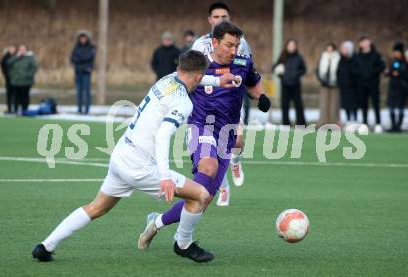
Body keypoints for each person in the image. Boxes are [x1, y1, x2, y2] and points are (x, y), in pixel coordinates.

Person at [32, 50, 216, 263]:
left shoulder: (166, 79)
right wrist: (165, 177)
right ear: (199, 76)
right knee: (200, 195)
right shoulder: (184, 102)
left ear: (179, 68)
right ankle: (184, 244)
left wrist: (221, 80)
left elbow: (197, 76)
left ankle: (45, 246)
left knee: (97, 207)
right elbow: (163, 135)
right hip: (140, 167)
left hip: (121, 156)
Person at [138, 22, 271, 250]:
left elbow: (254, 85)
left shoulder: (243, 63)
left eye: (236, 45)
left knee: (204, 199)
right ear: (215, 43)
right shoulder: (199, 65)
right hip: (202, 127)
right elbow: (177, 82)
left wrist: (262, 97)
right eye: (229, 45)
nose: (233, 50)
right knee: (207, 168)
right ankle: (183, 243)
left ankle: (158, 222)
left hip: (227, 134)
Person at [191, 1, 254, 205]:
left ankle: (236, 161)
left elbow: (248, 68)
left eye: (224, 17)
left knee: (237, 141)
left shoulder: (240, 42)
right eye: (216, 17)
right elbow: (192, 73)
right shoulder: (199, 45)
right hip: (207, 104)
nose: (220, 20)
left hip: (231, 99)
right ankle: (223, 186)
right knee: (211, 155)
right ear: (210, 20)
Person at [352, 36, 385, 133]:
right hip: (361, 84)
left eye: (366, 41)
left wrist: (372, 72)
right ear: (360, 44)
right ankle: (364, 124)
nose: (365, 44)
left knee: (376, 103)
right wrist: (361, 73)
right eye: (362, 42)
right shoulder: (357, 56)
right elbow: (353, 69)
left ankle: (378, 124)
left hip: (373, 83)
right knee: (363, 104)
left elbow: (381, 67)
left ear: (370, 42)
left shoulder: (376, 55)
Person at [273, 39, 307, 126]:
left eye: (293, 45)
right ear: (287, 46)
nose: (291, 47)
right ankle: (286, 124)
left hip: (296, 85)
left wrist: (296, 74)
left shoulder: (299, 58)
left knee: (298, 106)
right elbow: (275, 68)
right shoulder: (283, 57)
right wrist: (280, 74)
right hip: (285, 85)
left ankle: (301, 124)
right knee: (285, 105)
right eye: (290, 45)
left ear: (295, 47)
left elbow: (303, 70)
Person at [7, 44, 38, 115]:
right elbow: (8, 63)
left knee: (25, 96)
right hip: (16, 81)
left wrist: (28, 75)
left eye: (23, 49)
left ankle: (25, 110)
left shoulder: (30, 58)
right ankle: (15, 110)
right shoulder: (15, 57)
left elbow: (34, 68)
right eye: (20, 49)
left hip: (26, 82)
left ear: (26, 50)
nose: (22, 51)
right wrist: (17, 57)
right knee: (16, 97)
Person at [70, 30, 96, 115]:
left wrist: (80, 59)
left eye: (84, 38)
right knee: (79, 91)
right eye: (81, 38)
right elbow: (73, 59)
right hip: (78, 72)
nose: (83, 40)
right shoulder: (76, 47)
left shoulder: (91, 47)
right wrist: (83, 59)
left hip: (86, 73)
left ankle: (87, 110)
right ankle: (80, 109)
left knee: (87, 91)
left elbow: (89, 57)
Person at [317, 43, 341, 126]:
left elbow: (341, 70)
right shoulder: (323, 57)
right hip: (324, 84)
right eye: (328, 48)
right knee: (324, 105)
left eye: (331, 49)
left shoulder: (338, 58)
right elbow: (318, 70)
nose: (329, 50)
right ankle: (323, 123)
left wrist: (337, 80)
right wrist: (321, 79)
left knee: (334, 105)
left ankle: (333, 123)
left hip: (335, 84)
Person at [337, 41, 358, 126]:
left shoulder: (355, 59)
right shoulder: (341, 60)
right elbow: (338, 72)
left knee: (353, 105)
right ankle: (348, 121)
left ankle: (355, 120)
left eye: (345, 48)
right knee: (345, 105)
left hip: (353, 87)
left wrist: (353, 81)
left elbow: (356, 72)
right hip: (343, 87)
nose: (343, 50)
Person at [386, 42, 406, 132]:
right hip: (392, 88)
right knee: (391, 107)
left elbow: (403, 72)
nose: (395, 54)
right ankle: (393, 126)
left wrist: (398, 73)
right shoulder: (393, 61)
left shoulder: (404, 62)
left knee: (401, 108)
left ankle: (398, 126)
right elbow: (390, 72)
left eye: (397, 52)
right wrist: (390, 72)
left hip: (401, 88)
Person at [0, 45, 16, 114]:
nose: (12, 50)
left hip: (16, 79)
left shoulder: (17, 56)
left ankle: (16, 109)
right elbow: (3, 67)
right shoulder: (5, 57)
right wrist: (7, 75)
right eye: (11, 49)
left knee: (15, 95)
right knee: (9, 95)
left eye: (13, 49)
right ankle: (9, 109)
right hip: (8, 80)